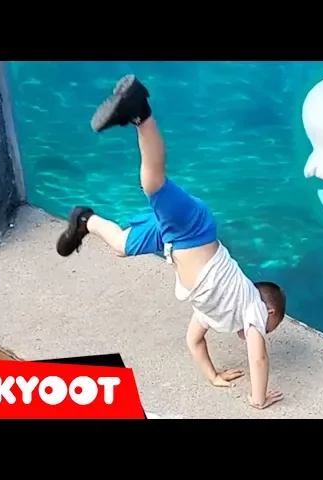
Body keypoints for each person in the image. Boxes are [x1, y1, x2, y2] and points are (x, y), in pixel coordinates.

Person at [56, 74, 286, 410]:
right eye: (270, 327)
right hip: (193, 230)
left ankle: (84, 221)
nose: (263, 332)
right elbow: (259, 358)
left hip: (171, 242)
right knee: (153, 183)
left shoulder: (215, 312)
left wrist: (212, 375)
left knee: (120, 245)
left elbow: (194, 342)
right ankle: (140, 112)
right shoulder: (251, 308)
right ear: (268, 311)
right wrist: (257, 399)